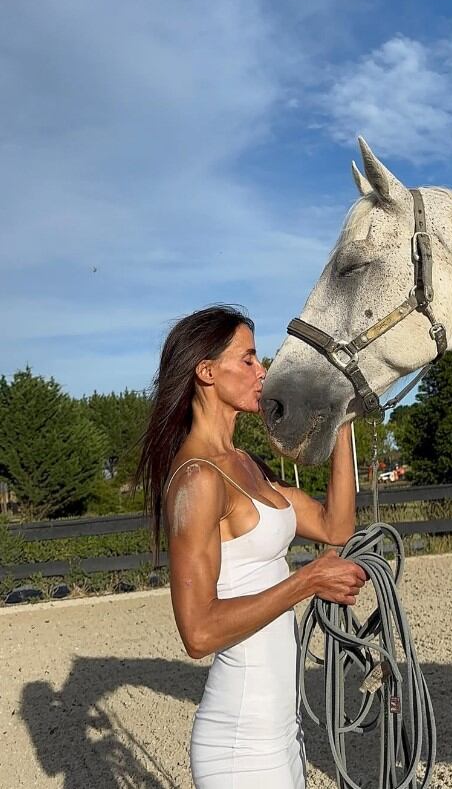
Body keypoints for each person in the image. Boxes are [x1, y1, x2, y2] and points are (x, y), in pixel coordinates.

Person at [136, 305, 367, 789]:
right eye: (248, 359)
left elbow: (336, 526)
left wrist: (342, 421)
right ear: (206, 372)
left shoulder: (245, 464)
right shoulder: (198, 479)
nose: (262, 371)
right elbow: (198, 633)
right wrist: (306, 581)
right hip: (241, 743)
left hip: (281, 733)